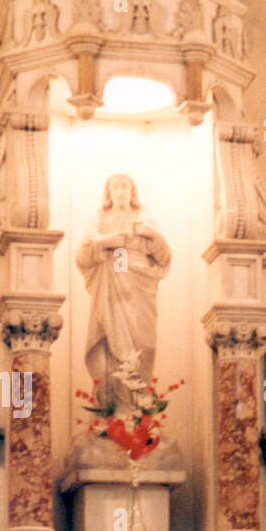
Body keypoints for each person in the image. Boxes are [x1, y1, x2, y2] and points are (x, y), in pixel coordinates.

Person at [76, 174, 171, 410]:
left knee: (144, 343)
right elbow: (82, 255)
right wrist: (105, 242)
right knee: (111, 343)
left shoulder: (145, 218)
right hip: (110, 287)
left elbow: (164, 256)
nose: (120, 191)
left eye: (124, 186)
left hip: (140, 286)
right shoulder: (100, 219)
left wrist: (153, 235)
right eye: (115, 187)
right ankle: (115, 410)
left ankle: (139, 408)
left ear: (132, 191)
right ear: (108, 192)